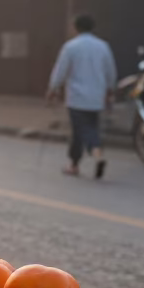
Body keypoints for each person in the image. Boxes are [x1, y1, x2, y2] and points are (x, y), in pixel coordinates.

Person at [47, 14, 117, 179]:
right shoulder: (103, 46)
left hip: (77, 98)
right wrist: (110, 90)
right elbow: (110, 71)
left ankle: (97, 154)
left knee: (83, 130)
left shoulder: (71, 47)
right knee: (85, 129)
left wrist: (53, 88)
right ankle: (74, 164)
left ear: (75, 28)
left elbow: (60, 70)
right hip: (96, 96)